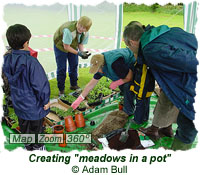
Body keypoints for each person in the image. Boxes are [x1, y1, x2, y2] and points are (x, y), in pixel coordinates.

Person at [123, 22, 198, 150]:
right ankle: (163, 129)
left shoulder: (151, 49)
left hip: (190, 82)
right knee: (166, 97)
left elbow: (189, 60)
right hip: (179, 78)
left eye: (128, 47)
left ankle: (177, 155)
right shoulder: (160, 33)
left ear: (132, 42)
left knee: (187, 123)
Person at [3, 24, 50, 151]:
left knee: (24, 127)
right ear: (26, 43)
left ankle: (28, 147)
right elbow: (40, 85)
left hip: (18, 102)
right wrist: (45, 101)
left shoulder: (6, 59)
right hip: (33, 105)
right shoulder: (31, 62)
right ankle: (38, 150)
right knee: (37, 130)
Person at [71, 48, 136, 116]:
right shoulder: (100, 64)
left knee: (127, 86)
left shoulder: (115, 63)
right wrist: (80, 98)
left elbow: (129, 77)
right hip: (122, 69)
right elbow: (90, 85)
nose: (97, 72)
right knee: (123, 87)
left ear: (102, 66)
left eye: (97, 69)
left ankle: (129, 112)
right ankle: (128, 102)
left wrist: (117, 83)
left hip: (134, 62)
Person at [53, 16, 92, 96]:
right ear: (77, 23)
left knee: (74, 65)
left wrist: (82, 52)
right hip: (60, 46)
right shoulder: (69, 30)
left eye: (84, 28)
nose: (81, 29)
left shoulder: (86, 33)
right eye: (80, 25)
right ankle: (61, 90)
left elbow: (80, 43)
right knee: (62, 68)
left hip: (72, 45)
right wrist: (78, 53)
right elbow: (66, 46)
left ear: (87, 29)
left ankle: (73, 85)